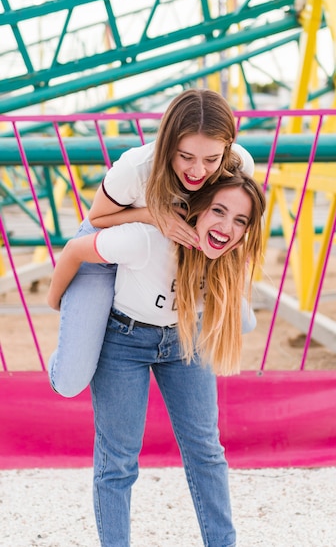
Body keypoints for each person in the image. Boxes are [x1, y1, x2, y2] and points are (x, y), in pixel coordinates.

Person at [47, 171, 266, 547]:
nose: (227, 226)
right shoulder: (147, 239)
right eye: (218, 211)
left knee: (207, 452)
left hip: (185, 338)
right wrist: (56, 303)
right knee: (118, 460)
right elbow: (74, 249)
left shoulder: (226, 257)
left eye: (240, 221)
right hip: (124, 339)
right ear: (198, 209)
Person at [48, 88, 255, 397]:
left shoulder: (239, 166)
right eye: (186, 157)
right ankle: (87, 343)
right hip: (106, 244)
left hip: (159, 251)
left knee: (245, 322)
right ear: (168, 145)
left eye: (211, 159)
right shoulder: (136, 168)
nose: (198, 171)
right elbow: (98, 220)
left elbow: (238, 219)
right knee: (70, 380)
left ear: (226, 150)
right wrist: (152, 214)